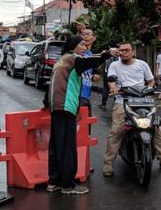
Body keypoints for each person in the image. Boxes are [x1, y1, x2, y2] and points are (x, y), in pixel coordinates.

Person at [47, 35, 115, 195]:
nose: (85, 48)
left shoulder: (60, 60)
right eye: (82, 45)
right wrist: (106, 54)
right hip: (66, 106)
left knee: (56, 146)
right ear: (74, 46)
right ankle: (68, 185)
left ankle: (53, 182)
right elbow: (88, 62)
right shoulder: (73, 58)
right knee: (68, 147)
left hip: (55, 106)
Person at [102, 41, 161, 177]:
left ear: (133, 52)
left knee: (156, 127)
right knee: (116, 130)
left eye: (126, 50)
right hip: (123, 100)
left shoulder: (142, 64)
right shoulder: (114, 65)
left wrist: (150, 89)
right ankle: (108, 163)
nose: (123, 52)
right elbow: (111, 79)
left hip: (143, 100)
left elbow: (150, 81)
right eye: (121, 50)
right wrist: (113, 87)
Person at [79, 28, 101, 119]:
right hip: (78, 95)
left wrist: (93, 77)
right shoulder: (79, 53)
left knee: (85, 127)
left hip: (86, 95)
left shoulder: (91, 54)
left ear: (94, 38)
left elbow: (87, 73)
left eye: (88, 34)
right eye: (83, 34)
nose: (85, 36)